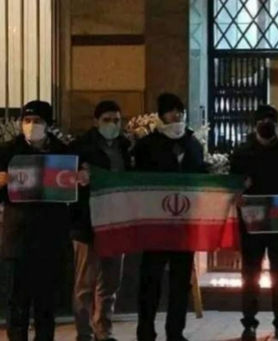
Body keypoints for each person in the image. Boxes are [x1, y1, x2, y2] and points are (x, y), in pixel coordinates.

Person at [0, 100, 88, 341]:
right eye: (27, 121)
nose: (31, 125)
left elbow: (77, 193)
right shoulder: (7, 151)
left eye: (37, 121)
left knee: (46, 303)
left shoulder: (64, 153)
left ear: (48, 124)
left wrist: (82, 177)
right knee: (17, 301)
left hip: (51, 236)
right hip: (18, 237)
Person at [134, 93, 207, 341]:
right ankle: (146, 330)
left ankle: (175, 331)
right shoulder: (146, 145)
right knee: (150, 280)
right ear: (161, 115)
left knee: (180, 281)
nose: (176, 115)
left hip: (185, 224)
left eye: (180, 111)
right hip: (155, 223)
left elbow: (201, 175)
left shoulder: (193, 144)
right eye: (171, 111)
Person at [230, 104, 278, 341]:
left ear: (276, 124)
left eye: (271, 121)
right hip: (252, 219)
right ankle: (249, 324)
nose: (266, 124)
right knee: (250, 273)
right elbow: (232, 184)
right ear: (255, 124)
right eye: (262, 120)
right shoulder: (242, 153)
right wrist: (237, 194)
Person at [70, 100, 132, 341]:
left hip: (116, 221)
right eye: (107, 120)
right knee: (85, 283)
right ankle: (84, 332)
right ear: (96, 121)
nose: (112, 124)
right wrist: (80, 177)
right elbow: (65, 179)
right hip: (87, 222)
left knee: (110, 282)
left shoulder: (126, 147)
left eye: (116, 120)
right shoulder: (79, 148)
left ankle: (103, 330)